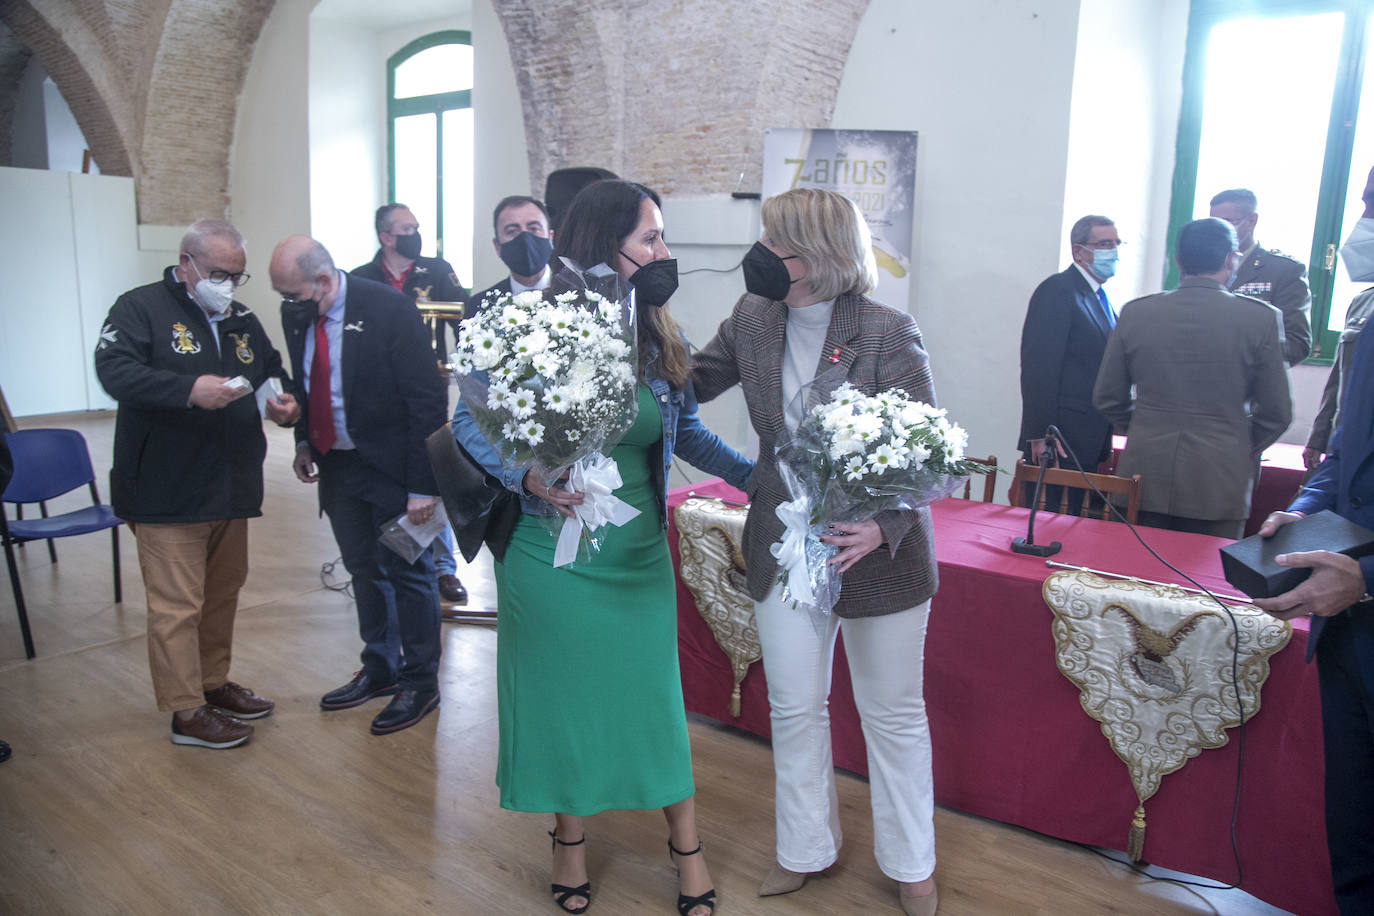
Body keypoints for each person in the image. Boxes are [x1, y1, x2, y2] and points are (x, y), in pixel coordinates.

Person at [452, 179, 749, 916]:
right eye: (651, 238)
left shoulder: (654, 326)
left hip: (638, 555)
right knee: (565, 703)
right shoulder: (528, 322)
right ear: (604, 242)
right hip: (551, 554)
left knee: (653, 703)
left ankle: (687, 848)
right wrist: (524, 472)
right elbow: (469, 423)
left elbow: (687, 434)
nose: (663, 252)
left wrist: (761, 477)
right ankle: (569, 843)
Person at [692, 187, 941, 916]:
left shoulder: (887, 331)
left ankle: (913, 864)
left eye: (775, 242)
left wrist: (884, 525)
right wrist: (632, 330)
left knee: (891, 713)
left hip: (874, 554)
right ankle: (804, 849)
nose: (760, 253)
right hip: (783, 545)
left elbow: (929, 453)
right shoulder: (751, 319)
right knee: (797, 708)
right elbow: (689, 382)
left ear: (816, 255)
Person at [94, 219, 297, 749]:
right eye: (217, 273)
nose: (227, 284)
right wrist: (188, 390)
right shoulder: (139, 309)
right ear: (186, 264)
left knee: (222, 593)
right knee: (176, 605)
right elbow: (115, 372)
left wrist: (283, 402)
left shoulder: (242, 318)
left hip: (230, 484)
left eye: (237, 274)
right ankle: (186, 712)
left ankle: (211, 682)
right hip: (166, 485)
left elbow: (271, 370)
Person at [271, 235, 447, 736]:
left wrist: (422, 485)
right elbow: (306, 384)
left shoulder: (389, 309)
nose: (288, 307)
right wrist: (303, 440)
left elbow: (426, 402)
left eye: (293, 295)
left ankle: (420, 682)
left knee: (410, 573)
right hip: (339, 466)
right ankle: (381, 668)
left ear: (324, 281)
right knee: (363, 570)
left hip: (394, 470)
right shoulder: (299, 310)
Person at [1252, 215, 1374, 911]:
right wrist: (1305, 506)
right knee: (1353, 836)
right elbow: (1343, 456)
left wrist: (1367, 578)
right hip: (1348, 634)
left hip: (1361, 593)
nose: (1362, 231)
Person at [1092, 217, 1292, 539]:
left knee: (1130, 580)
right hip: (1219, 481)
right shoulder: (1261, 319)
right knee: (1205, 585)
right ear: (1230, 259)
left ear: (1178, 260)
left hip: (1143, 473)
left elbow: (1107, 396)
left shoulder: (1136, 312)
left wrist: (1146, 427)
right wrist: (1234, 443)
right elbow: (1277, 413)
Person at [352, 203, 469, 610]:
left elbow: (464, 320)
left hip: (428, 390)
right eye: (407, 228)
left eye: (417, 226)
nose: (415, 234)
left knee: (431, 475)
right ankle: (388, 561)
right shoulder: (361, 279)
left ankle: (443, 567)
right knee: (391, 481)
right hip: (378, 398)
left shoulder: (437, 271)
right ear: (386, 237)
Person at [1017, 215, 1121, 514]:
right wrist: (1039, 433)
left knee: (1080, 520)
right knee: (1054, 518)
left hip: (1090, 434)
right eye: (1103, 244)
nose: (1112, 251)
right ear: (1078, 251)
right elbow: (1038, 366)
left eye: (1115, 244)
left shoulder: (1099, 296)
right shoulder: (1059, 290)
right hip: (1060, 437)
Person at [1306, 167, 1374, 472]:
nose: (1365, 219)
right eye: (1365, 204)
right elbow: (1338, 382)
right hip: (1349, 456)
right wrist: (1319, 438)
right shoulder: (1363, 302)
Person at [1210, 188, 1312, 366]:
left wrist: (1234, 351)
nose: (1219, 231)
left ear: (1251, 221)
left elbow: (1297, 344)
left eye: (1227, 222)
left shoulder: (1283, 270)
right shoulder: (1201, 266)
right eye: (1213, 224)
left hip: (1252, 385)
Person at [466, 195, 555, 320]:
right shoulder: (479, 306)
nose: (525, 238)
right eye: (512, 231)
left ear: (550, 238)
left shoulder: (580, 297)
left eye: (534, 229)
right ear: (497, 246)